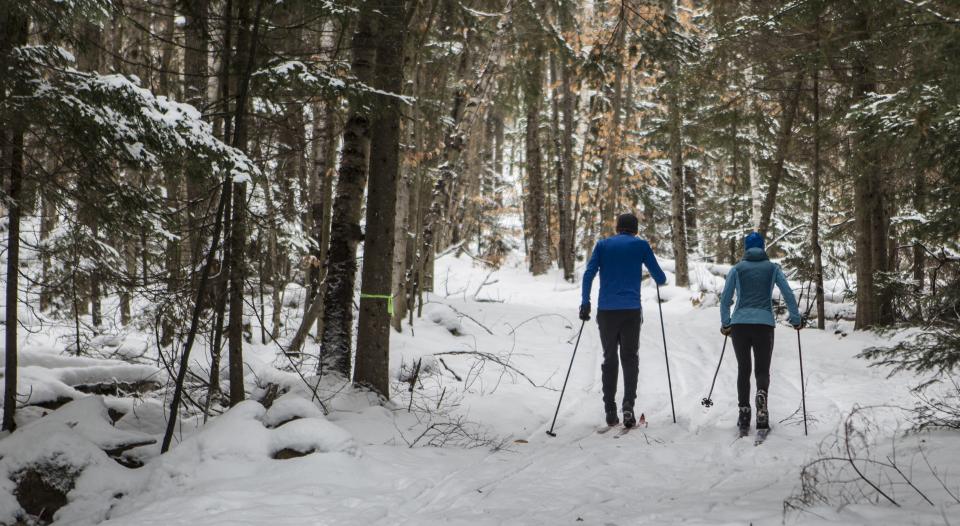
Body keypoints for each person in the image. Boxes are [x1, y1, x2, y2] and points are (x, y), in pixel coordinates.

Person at [580, 213, 667, 428]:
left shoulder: (603, 245)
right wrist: (655, 277)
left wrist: (585, 302)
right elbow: (661, 277)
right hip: (631, 310)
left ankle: (610, 409)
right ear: (635, 229)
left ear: (617, 227)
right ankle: (628, 405)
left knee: (610, 358)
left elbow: (588, 274)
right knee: (630, 357)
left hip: (607, 311)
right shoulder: (641, 246)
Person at [719, 231, 802, 434]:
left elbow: (725, 298)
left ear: (746, 248)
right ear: (763, 247)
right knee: (762, 370)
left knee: (743, 369)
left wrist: (726, 323)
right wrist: (795, 318)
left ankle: (744, 412)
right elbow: (788, 293)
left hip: (740, 324)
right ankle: (762, 403)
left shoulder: (737, 269)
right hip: (765, 324)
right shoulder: (772, 268)